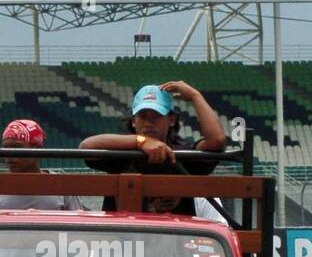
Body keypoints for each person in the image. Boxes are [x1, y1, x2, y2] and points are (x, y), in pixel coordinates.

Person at [78, 81, 227, 213]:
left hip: (176, 239)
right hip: (124, 240)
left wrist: (195, 96)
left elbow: (217, 141)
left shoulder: (181, 151)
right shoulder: (122, 151)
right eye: (143, 116)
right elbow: (86, 146)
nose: (149, 123)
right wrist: (140, 141)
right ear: (133, 121)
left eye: (156, 116)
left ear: (171, 120)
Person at [0, 119, 84, 211]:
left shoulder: (61, 184)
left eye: (17, 147)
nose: (9, 155)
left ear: (37, 149)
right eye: (6, 148)